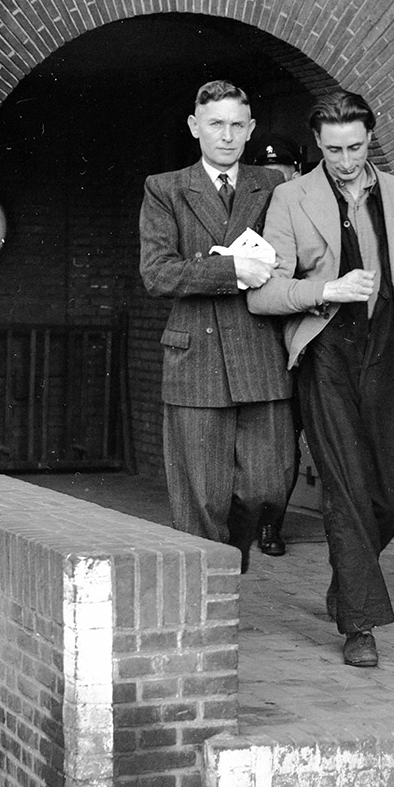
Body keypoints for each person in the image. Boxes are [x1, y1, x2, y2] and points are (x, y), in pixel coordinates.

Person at [249, 90, 394, 668]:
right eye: (333, 149)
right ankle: (358, 622)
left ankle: (346, 583)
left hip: (385, 349)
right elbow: (264, 294)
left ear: (370, 138)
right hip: (326, 352)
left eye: (355, 147)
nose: (345, 159)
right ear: (317, 145)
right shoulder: (290, 197)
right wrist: (326, 291)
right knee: (346, 484)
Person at [139, 80, 295, 572]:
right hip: (196, 356)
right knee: (200, 499)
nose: (225, 136)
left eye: (235, 125)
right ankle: (209, 598)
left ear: (249, 130)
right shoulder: (165, 189)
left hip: (261, 352)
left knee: (268, 484)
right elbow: (158, 272)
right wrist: (231, 271)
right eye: (215, 124)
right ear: (194, 127)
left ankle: (231, 554)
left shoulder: (274, 187)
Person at [246, 137, 304, 558]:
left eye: (280, 173)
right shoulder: (250, 214)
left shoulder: (305, 211)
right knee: (266, 444)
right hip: (264, 344)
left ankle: (272, 525)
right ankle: (260, 521)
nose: (273, 182)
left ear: (296, 172)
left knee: (288, 444)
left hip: (302, 342)